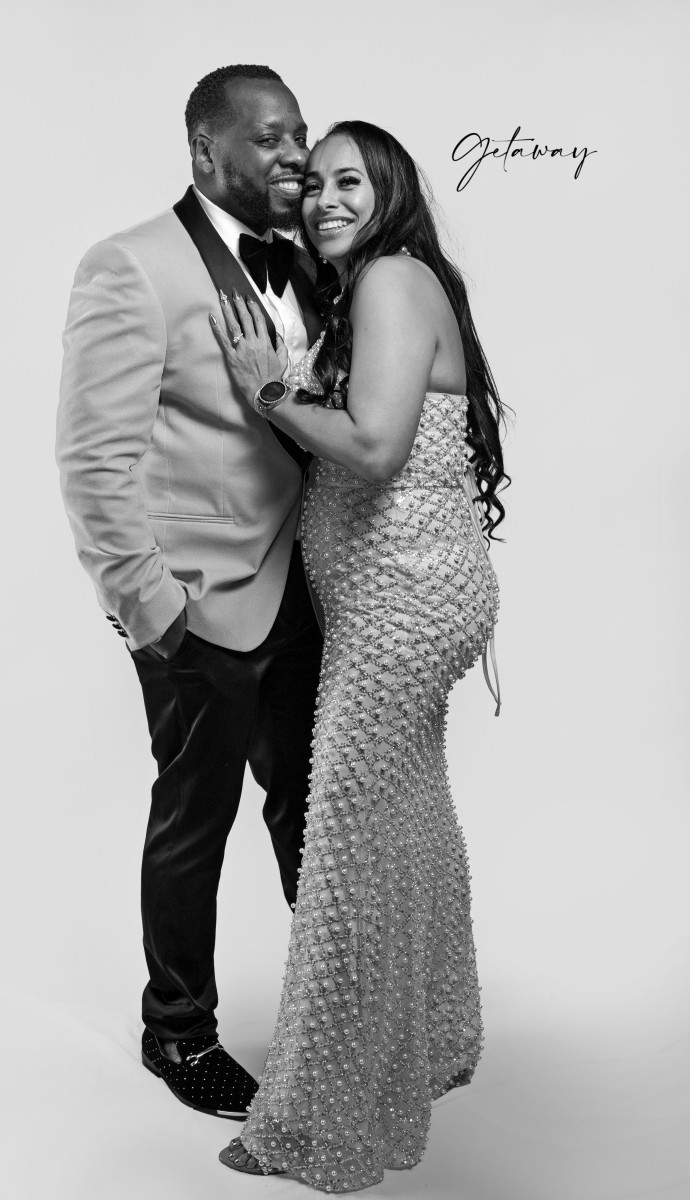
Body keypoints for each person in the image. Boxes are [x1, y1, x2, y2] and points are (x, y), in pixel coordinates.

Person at [211, 121, 508, 1190]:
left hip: (402, 602)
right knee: (407, 819)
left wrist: (270, 392)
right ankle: (435, 1036)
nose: (325, 199)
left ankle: (327, 1119)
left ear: (391, 196)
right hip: (401, 597)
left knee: (346, 845)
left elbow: (376, 449)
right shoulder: (378, 287)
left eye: (351, 181)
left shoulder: (389, 277)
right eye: (315, 184)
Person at [55, 65, 324, 1121]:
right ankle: (178, 1034)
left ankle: (339, 1009)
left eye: (300, 132)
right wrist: (155, 614)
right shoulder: (131, 265)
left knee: (317, 813)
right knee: (195, 819)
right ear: (207, 150)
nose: (294, 152)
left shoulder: (310, 259)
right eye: (270, 137)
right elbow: (94, 463)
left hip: (304, 587)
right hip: (196, 604)